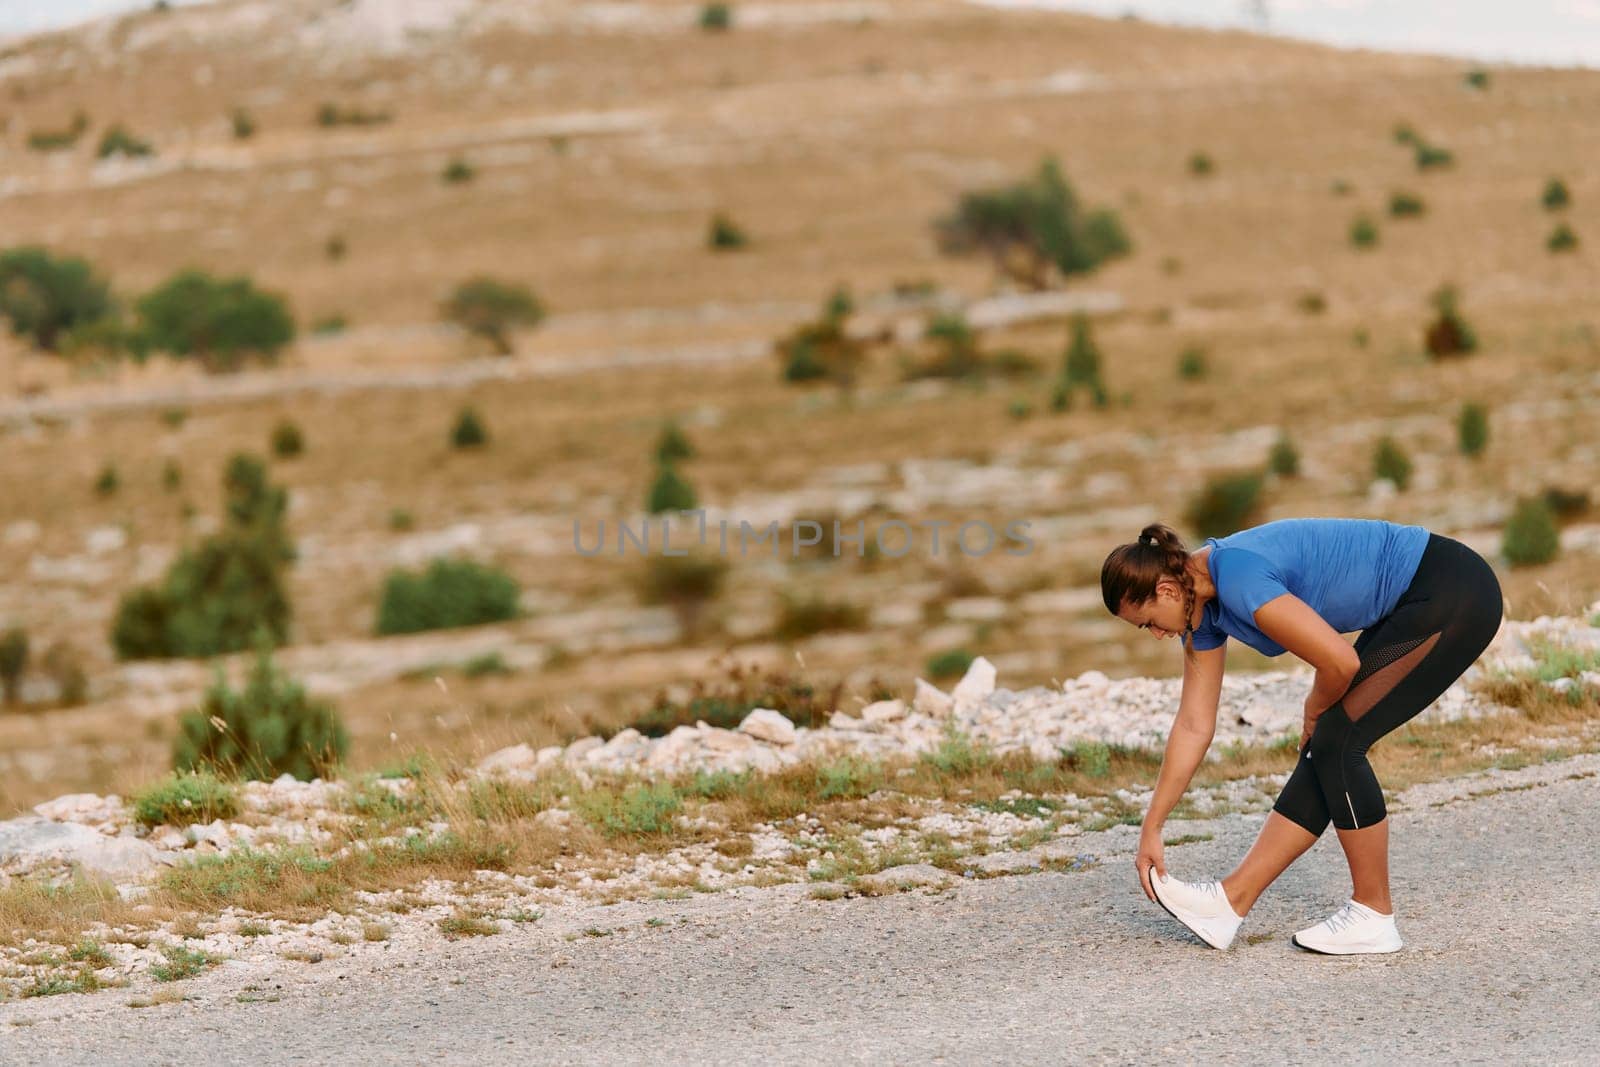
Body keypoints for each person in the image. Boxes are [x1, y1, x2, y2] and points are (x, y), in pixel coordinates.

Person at [1099, 516, 1503, 954]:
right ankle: (1228, 905)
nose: (1157, 634)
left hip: (1451, 590)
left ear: (1167, 590)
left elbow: (1339, 663)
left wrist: (1313, 706)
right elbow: (1194, 724)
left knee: (1337, 740)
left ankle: (1373, 913)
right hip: (1418, 601)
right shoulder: (1203, 612)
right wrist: (1151, 828)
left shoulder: (1236, 575)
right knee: (1326, 744)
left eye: (1148, 623)